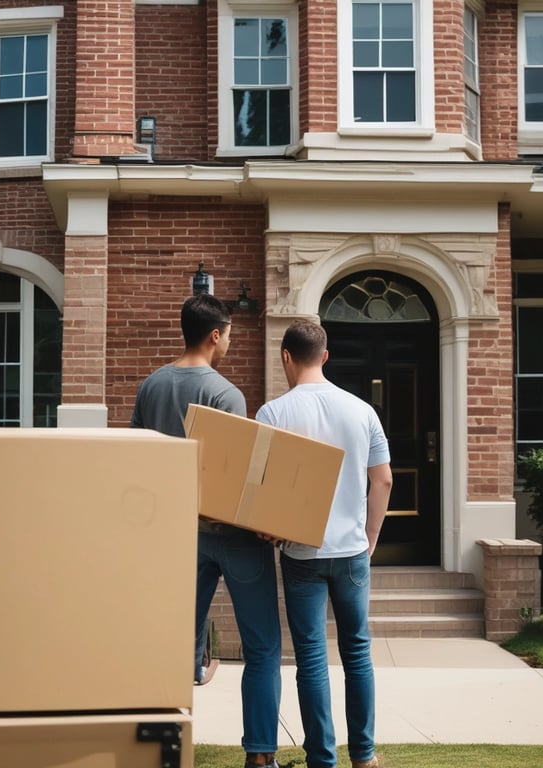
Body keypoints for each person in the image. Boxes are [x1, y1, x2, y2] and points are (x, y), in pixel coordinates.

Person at [131, 292, 282, 768]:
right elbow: (235, 477)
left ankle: (164, 751)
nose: (231, 343)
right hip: (232, 537)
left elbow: (140, 465)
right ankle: (259, 757)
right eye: (230, 334)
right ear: (215, 334)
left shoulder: (151, 386)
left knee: (176, 648)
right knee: (261, 646)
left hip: (178, 534)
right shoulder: (226, 393)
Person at [256, 319, 393, 768]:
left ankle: (322, 759)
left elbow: (260, 489)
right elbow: (383, 480)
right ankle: (365, 757)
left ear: (286, 358)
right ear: (326, 357)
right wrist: (369, 541)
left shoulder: (273, 413)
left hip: (301, 554)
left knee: (311, 658)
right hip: (352, 552)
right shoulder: (362, 411)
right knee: (358, 653)